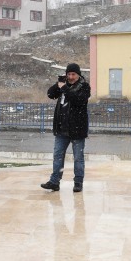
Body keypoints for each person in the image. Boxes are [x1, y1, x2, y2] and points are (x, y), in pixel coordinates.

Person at [41, 63, 91, 193]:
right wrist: (58, 83)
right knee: (58, 155)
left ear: (78, 75)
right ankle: (54, 181)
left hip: (77, 129)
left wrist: (64, 89)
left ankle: (78, 182)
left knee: (78, 157)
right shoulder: (63, 85)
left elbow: (79, 100)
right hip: (62, 129)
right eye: (69, 74)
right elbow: (50, 94)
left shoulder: (84, 87)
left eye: (73, 74)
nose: (71, 77)